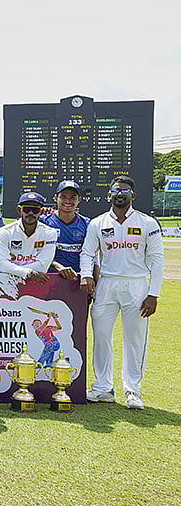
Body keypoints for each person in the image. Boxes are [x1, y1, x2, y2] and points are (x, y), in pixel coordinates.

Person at [80, 176, 165, 410]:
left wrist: (153, 293)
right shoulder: (97, 223)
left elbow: (157, 260)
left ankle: (133, 390)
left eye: (125, 191)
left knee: (135, 340)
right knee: (102, 336)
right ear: (109, 194)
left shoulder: (147, 223)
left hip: (136, 286)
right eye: (116, 190)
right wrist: (86, 275)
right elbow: (88, 253)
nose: (120, 194)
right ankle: (102, 388)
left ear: (133, 196)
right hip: (106, 284)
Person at [0, 192, 58, 280]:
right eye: (27, 209)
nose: (31, 213)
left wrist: (13, 270)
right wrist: (28, 273)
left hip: (36, 282)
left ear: (40, 211)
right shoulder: (4, 232)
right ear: (19, 210)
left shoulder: (49, 233)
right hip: (7, 282)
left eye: (35, 210)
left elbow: (43, 266)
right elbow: (1, 264)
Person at [41, 180, 91, 280]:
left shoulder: (87, 224)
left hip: (77, 280)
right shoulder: (44, 221)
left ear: (79, 199)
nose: (68, 201)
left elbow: (91, 256)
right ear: (55, 198)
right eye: (63, 196)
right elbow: (36, 253)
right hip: (49, 279)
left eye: (73, 197)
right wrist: (58, 267)